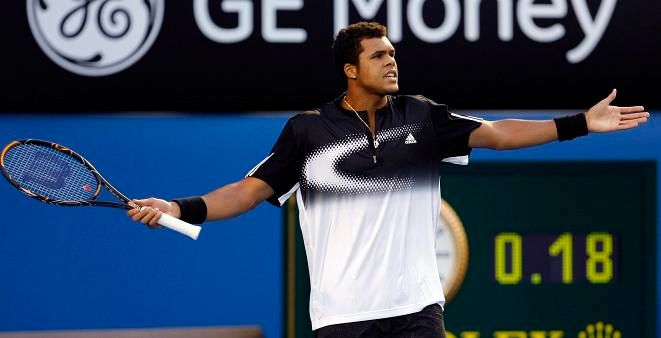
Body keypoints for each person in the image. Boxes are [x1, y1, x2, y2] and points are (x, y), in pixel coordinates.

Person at [128, 22, 649, 338]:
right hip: (344, 317)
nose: (392, 61)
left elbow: (498, 135)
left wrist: (580, 123)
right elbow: (248, 191)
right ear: (351, 71)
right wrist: (178, 207)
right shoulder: (307, 131)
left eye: (393, 54)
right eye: (379, 56)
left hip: (417, 311)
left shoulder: (422, 117)